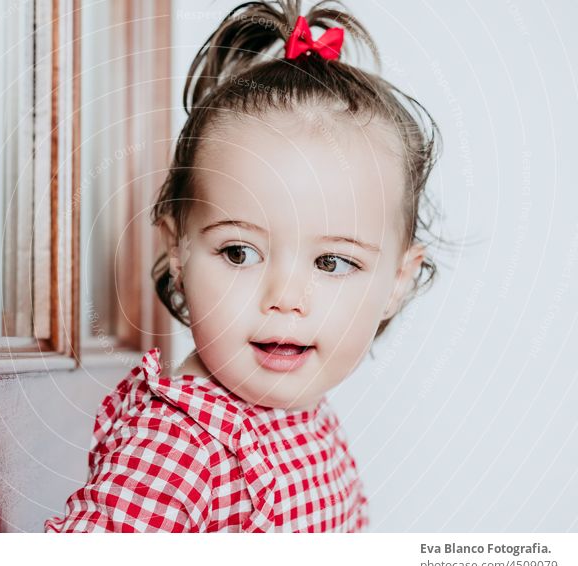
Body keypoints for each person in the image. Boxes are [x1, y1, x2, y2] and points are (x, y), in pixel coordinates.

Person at [45, 0, 441, 532]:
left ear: (398, 280)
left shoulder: (308, 415)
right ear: (179, 252)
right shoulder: (178, 447)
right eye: (239, 252)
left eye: (332, 261)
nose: (285, 297)